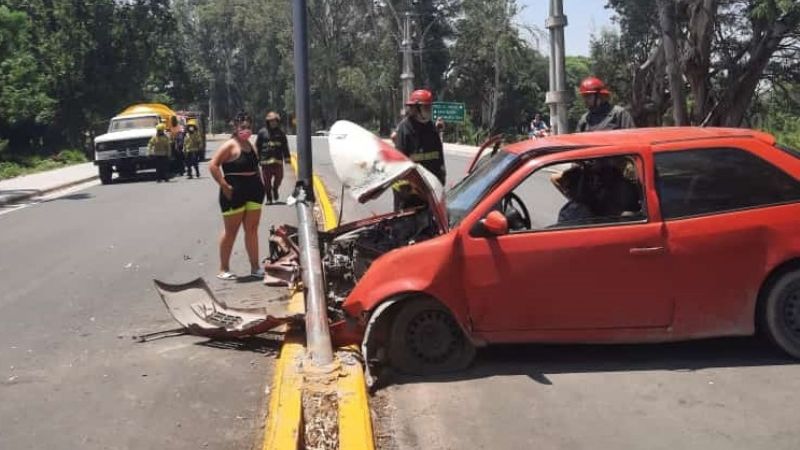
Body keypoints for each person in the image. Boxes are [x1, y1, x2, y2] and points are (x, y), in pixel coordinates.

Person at [208, 114, 265, 280]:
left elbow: (256, 167)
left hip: (254, 190)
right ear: (235, 128)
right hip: (234, 192)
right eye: (243, 127)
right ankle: (223, 268)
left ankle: (255, 267)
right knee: (231, 231)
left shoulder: (251, 145)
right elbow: (213, 165)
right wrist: (224, 185)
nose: (246, 130)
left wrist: (261, 184)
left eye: (249, 127)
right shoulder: (229, 146)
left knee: (252, 229)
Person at [393, 89, 445, 210]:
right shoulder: (404, 130)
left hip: (429, 192)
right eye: (426, 108)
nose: (429, 111)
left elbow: (439, 160)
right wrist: (408, 191)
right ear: (416, 109)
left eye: (429, 108)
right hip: (408, 197)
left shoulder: (432, 129)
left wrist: (440, 183)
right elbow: (399, 166)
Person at [256, 111, 290, 204]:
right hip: (265, 161)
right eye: (271, 121)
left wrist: (287, 158)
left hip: (278, 161)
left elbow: (285, 147)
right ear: (268, 122)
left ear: (277, 121)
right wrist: (257, 158)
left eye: (274, 121)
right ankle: (269, 198)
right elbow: (257, 146)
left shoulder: (281, 133)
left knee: (279, 178)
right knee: (266, 182)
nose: (273, 123)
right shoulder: (262, 132)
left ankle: (275, 189)